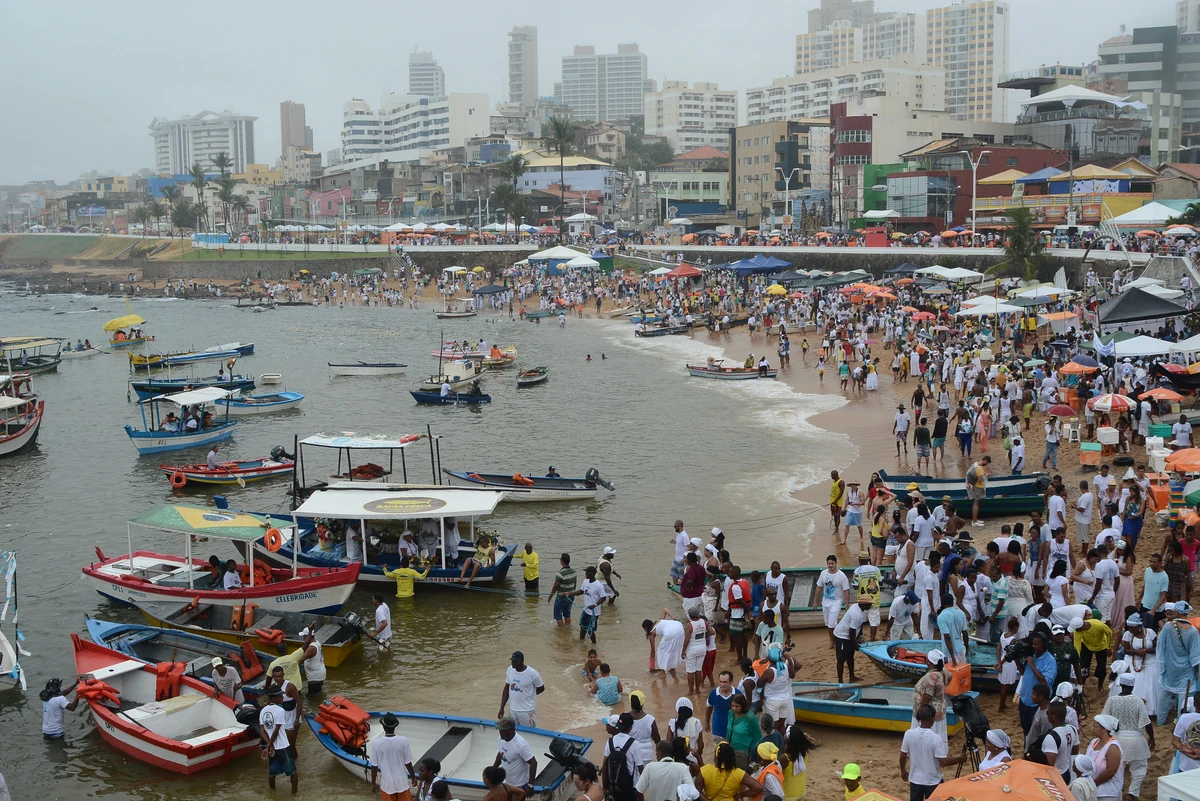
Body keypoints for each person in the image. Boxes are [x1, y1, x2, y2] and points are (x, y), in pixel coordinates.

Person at [1101, 673, 1153, 797]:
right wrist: (1152, 738)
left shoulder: (1112, 700)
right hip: (1136, 739)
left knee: (1118, 768)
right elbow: (1147, 722)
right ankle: (1133, 792)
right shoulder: (1138, 701)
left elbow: (1104, 721)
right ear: (1132, 686)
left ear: (1120, 684)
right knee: (1140, 767)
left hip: (1117, 739)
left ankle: (1116, 793)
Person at [900, 704, 964, 801]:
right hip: (932, 781)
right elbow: (944, 762)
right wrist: (961, 759)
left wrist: (903, 770)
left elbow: (903, 756)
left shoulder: (909, 734)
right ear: (933, 719)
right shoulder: (936, 738)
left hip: (915, 780)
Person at [1157, 602, 1200, 727]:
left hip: (1169, 666)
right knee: (1184, 698)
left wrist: (1163, 663)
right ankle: (1181, 724)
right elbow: (1195, 654)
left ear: (1176, 612)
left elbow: (1160, 646)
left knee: (1165, 694)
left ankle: (1160, 721)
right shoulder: (1192, 631)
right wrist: (1196, 671)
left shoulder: (1168, 627)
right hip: (1186, 668)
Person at [259, 684, 299, 794]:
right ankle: (294, 796)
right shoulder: (280, 711)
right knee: (293, 772)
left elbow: (262, 730)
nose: (283, 698)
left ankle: (272, 793)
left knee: (272, 773)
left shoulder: (263, 711)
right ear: (274, 698)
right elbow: (276, 731)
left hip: (272, 748)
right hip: (283, 746)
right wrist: (269, 745)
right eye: (280, 696)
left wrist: (269, 745)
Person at [370, 712, 416, 801]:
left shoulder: (377, 743)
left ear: (383, 727)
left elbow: (374, 766)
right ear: (395, 727)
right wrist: (413, 777)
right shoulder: (404, 741)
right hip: (402, 783)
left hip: (387, 785)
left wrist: (373, 783)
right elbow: (408, 763)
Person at [696, 741, 762, 801]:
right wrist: (741, 795)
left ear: (716, 757)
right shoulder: (739, 773)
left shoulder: (705, 770)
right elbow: (758, 788)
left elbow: (697, 791)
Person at [757, 645, 798, 730]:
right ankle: (782, 742)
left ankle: (776, 742)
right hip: (785, 699)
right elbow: (793, 675)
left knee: (774, 726)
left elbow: (759, 684)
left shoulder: (769, 671)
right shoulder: (786, 667)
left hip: (772, 701)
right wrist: (789, 659)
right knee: (782, 725)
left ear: (770, 659)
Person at [1084, 716, 1125, 801]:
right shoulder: (1094, 742)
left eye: (1095, 726)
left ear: (1104, 729)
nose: (1093, 729)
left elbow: (1110, 772)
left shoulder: (1113, 747)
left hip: (1108, 794)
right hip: (1093, 791)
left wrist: (1093, 784)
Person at [499, 652, 544, 727]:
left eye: (515, 661)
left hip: (526, 711)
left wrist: (529, 695)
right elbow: (506, 689)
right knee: (514, 731)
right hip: (512, 710)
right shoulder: (510, 670)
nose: (513, 663)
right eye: (512, 661)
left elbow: (541, 688)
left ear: (522, 661)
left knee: (529, 733)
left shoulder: (532, 673)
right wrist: (501, 708)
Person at [833, 597, 872, 683]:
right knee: (841, 659)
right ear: (864, 604)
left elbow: (859, 625)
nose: (871, 605)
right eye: (870, 604)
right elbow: (851, 632)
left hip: (849, 635)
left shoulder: (859, 609)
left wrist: (860, 636)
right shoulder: (856, 614)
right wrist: (855, 644)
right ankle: (840, 682)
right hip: (842, 636)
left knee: (850, 657)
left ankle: (852, 677)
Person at [495, 717, 537, 793]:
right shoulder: (501, 738)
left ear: (512, 730)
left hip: (520, 785)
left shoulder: (521, 744)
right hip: (507, 783)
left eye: (504, 731)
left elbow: (533, 763)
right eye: (500, 730)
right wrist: (494, 768)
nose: (501, 733)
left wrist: (530, 785)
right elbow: (501, 753)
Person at [1070, 616, 1112, 691]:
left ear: (1081, 627)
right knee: (1084, 668)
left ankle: (1100, 686)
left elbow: (1109, 633)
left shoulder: (1099, 625)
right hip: (1086, 646)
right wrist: (1078, 660)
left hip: (1101, 646)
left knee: (1102, 666)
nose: (1075, 630)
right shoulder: (1077, 632)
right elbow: (1077, 646)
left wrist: (1108, 647)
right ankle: (1082, 687)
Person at [816, 556, 849, 648]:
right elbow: (819, 587)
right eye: (829, 564)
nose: (830, 565)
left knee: (831, 624)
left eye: (832, 563)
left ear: (836, 563)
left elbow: (846, 591)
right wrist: (815, 601)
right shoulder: (823, 573)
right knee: (828, 624)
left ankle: (834, 640)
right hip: (825, 601)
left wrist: (847, 604)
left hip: (836, 602)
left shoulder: (842, 576)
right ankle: (832, 639)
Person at [645, 610, 686, 680]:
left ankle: (662, 672)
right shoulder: (659, 620)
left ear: (646, 628)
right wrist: (673, 618)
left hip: (671, 633)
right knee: (674, 649)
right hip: (680, 627)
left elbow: (653, 651)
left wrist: (651, 666)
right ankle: (673, 668)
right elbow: (665, 610)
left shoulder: (652, 634)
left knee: (661, 651)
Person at [725, 693, 761, 770]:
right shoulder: (731, 713)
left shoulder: (751, 719)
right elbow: (728, 731)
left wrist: (752, 755)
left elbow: (757, 738)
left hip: (744, 752)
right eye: (732, 706)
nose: (734, 708)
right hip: (730, 749)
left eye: (737, 706)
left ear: (743, 705)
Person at [573, 566, 609, 644]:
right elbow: (581, 591)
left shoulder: (598, 585)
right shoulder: (586, 581)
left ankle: (594, 645)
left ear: (593, 573)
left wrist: (595, 605)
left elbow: (603, 598)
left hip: (593, 613)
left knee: (590, 630)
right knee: (582, 627)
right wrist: (570, 594)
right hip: (586, 610)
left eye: (587, 572)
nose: (585, 573)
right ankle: (581, 642)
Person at [684, 606, 709, 694]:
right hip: (702, 648)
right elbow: (711, 631)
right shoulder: (704, 621)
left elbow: (687, 640)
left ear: (690, 616)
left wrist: (683, 651)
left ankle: (691, 691)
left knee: (690, 671)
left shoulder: (689, 625)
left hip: (692, 649)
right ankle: (697, 690)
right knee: (698, 669)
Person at [547, 553, 578, 627]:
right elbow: (575, 582)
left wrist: (550, 596)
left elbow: (555, 586)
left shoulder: (560, 574)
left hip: (561, 597)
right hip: (570, 596)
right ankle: (567, 628)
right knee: (567, 614)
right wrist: (572, 592)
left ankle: (562, 631)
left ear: (562, 562)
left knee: (558, 615)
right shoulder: (574, 571)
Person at [706, 671, 737, 740]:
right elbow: (709, 707)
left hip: (734, 729)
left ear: (731, 682)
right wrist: (707, 723)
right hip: (718, 729)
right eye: (721, 682)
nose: (722, 684)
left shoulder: (737, 694)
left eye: (725, 682)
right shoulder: (713, 693)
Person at [298, 626, 327, 696]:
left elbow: (301, 660)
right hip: (319, 674)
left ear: (308, 636)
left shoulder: (311, 648)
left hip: (315, 677)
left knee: (311, 698)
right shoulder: (317, 642)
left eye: (304, 636)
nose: (303, 638)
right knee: (317, 694)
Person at [965, 456, 991, 527]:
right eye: (987, 463)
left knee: (977, 503)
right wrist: (986, 475)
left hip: (974, 486)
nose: (986, 465)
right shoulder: (979, 468)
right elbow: (980, 479)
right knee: (976, 503)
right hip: (978, 487)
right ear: (985, 461)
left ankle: (975, 519)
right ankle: (974, 521)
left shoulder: (974, 464)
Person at [671, 520, 690, 585]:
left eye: (675, 527)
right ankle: (675, 587)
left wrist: (685, 557)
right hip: (676, 558)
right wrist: (675, 542)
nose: (674, 528)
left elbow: (689, 547)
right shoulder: (678, 534)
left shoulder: (684, 535)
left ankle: (681, 589)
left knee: (681, 577)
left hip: (681, 559)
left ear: (680, 526)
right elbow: (681, 543)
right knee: (674, 575)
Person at [829, 471, 847, 537]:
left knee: (837, 516)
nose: (831, 476)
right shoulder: (834, 482)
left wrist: (836, 500)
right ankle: (836, 528)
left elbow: (841, 492)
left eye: (832, 475)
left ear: (835, 475)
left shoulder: (841, 482)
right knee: (834, 516)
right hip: (832, 502)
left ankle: (836, 529)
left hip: (837, 503)